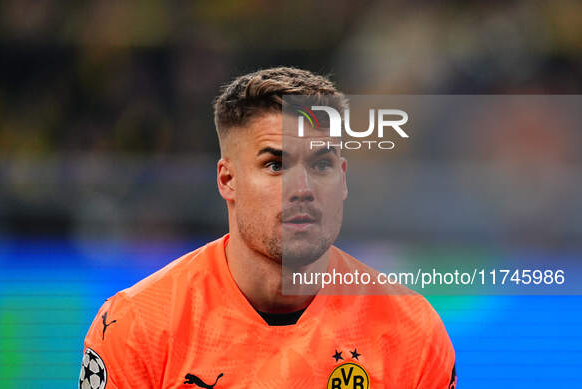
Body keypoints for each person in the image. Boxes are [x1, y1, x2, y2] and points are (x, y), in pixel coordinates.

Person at [79, 67, 456, 389]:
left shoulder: (412, 331)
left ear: (342, 180)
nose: (303, 189)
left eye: (322, 165)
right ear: (228, 180)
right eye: (276, 165)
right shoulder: (137, 325)